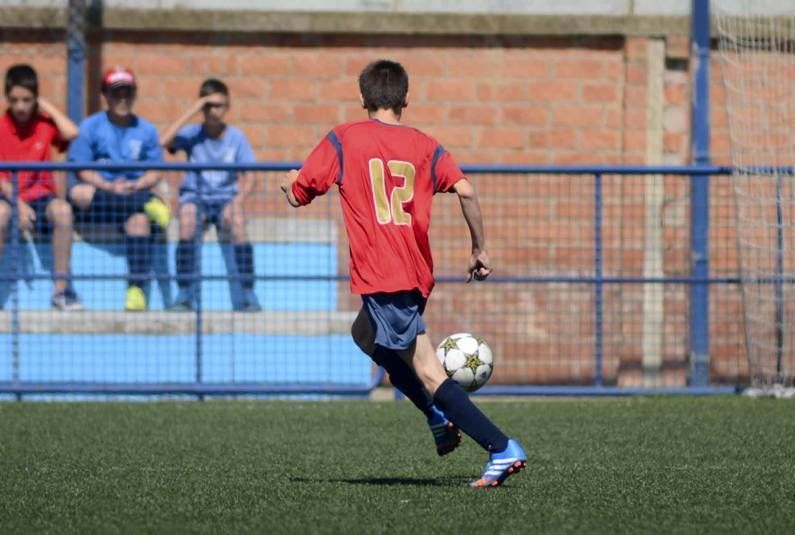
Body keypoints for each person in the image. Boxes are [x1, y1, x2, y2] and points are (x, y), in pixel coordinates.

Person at [281, 59, 526, 488]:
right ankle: (435, 416)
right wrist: (479, 248)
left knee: (429, 371)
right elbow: (465, 189)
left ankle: (500, 447)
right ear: (405, 100)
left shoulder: (344, 138)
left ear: (363, 99)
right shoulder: (426, 145)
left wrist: (289, 183)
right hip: (411, 269)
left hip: (384, 273)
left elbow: (300, 194)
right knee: (363, 335)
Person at [68, 67, 170, 311]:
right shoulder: (90, 126)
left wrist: (137, 184)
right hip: (101, 195)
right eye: (116, 93)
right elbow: (81, 169)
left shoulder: (146, 130)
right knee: (77, 193)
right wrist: (108, 185)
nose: (122, 98)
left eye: (128, 92)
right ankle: (145, 205)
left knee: (139, 222)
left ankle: (136, 289)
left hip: (133, 192)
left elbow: (155, 170)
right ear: (105, 95)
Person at [159, 78, 260, 312]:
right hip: (196, 197)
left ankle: (247, 294)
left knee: (238, 223)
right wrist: (195, 108)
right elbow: (163, 141)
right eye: (209, 106)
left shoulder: (237, 137)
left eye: (219, 105)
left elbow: (251, 175)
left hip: (226, 198)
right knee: (186, 220)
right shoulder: (192, 133)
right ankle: (184, 294)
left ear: (227, 107)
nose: (215, 111)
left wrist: (237, 201)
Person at [0, 64, 83, 310]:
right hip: (9, 197)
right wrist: (19, 205)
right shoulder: (1, 127)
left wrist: (44, 106)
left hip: (41, 199)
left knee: (63, 211)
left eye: (27, 99)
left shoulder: (45, 124)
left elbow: (72, 132)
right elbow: (2, 180)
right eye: (14, 100)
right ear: (7, 98)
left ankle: (61, 291)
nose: (21, 107)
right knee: (0, 214)